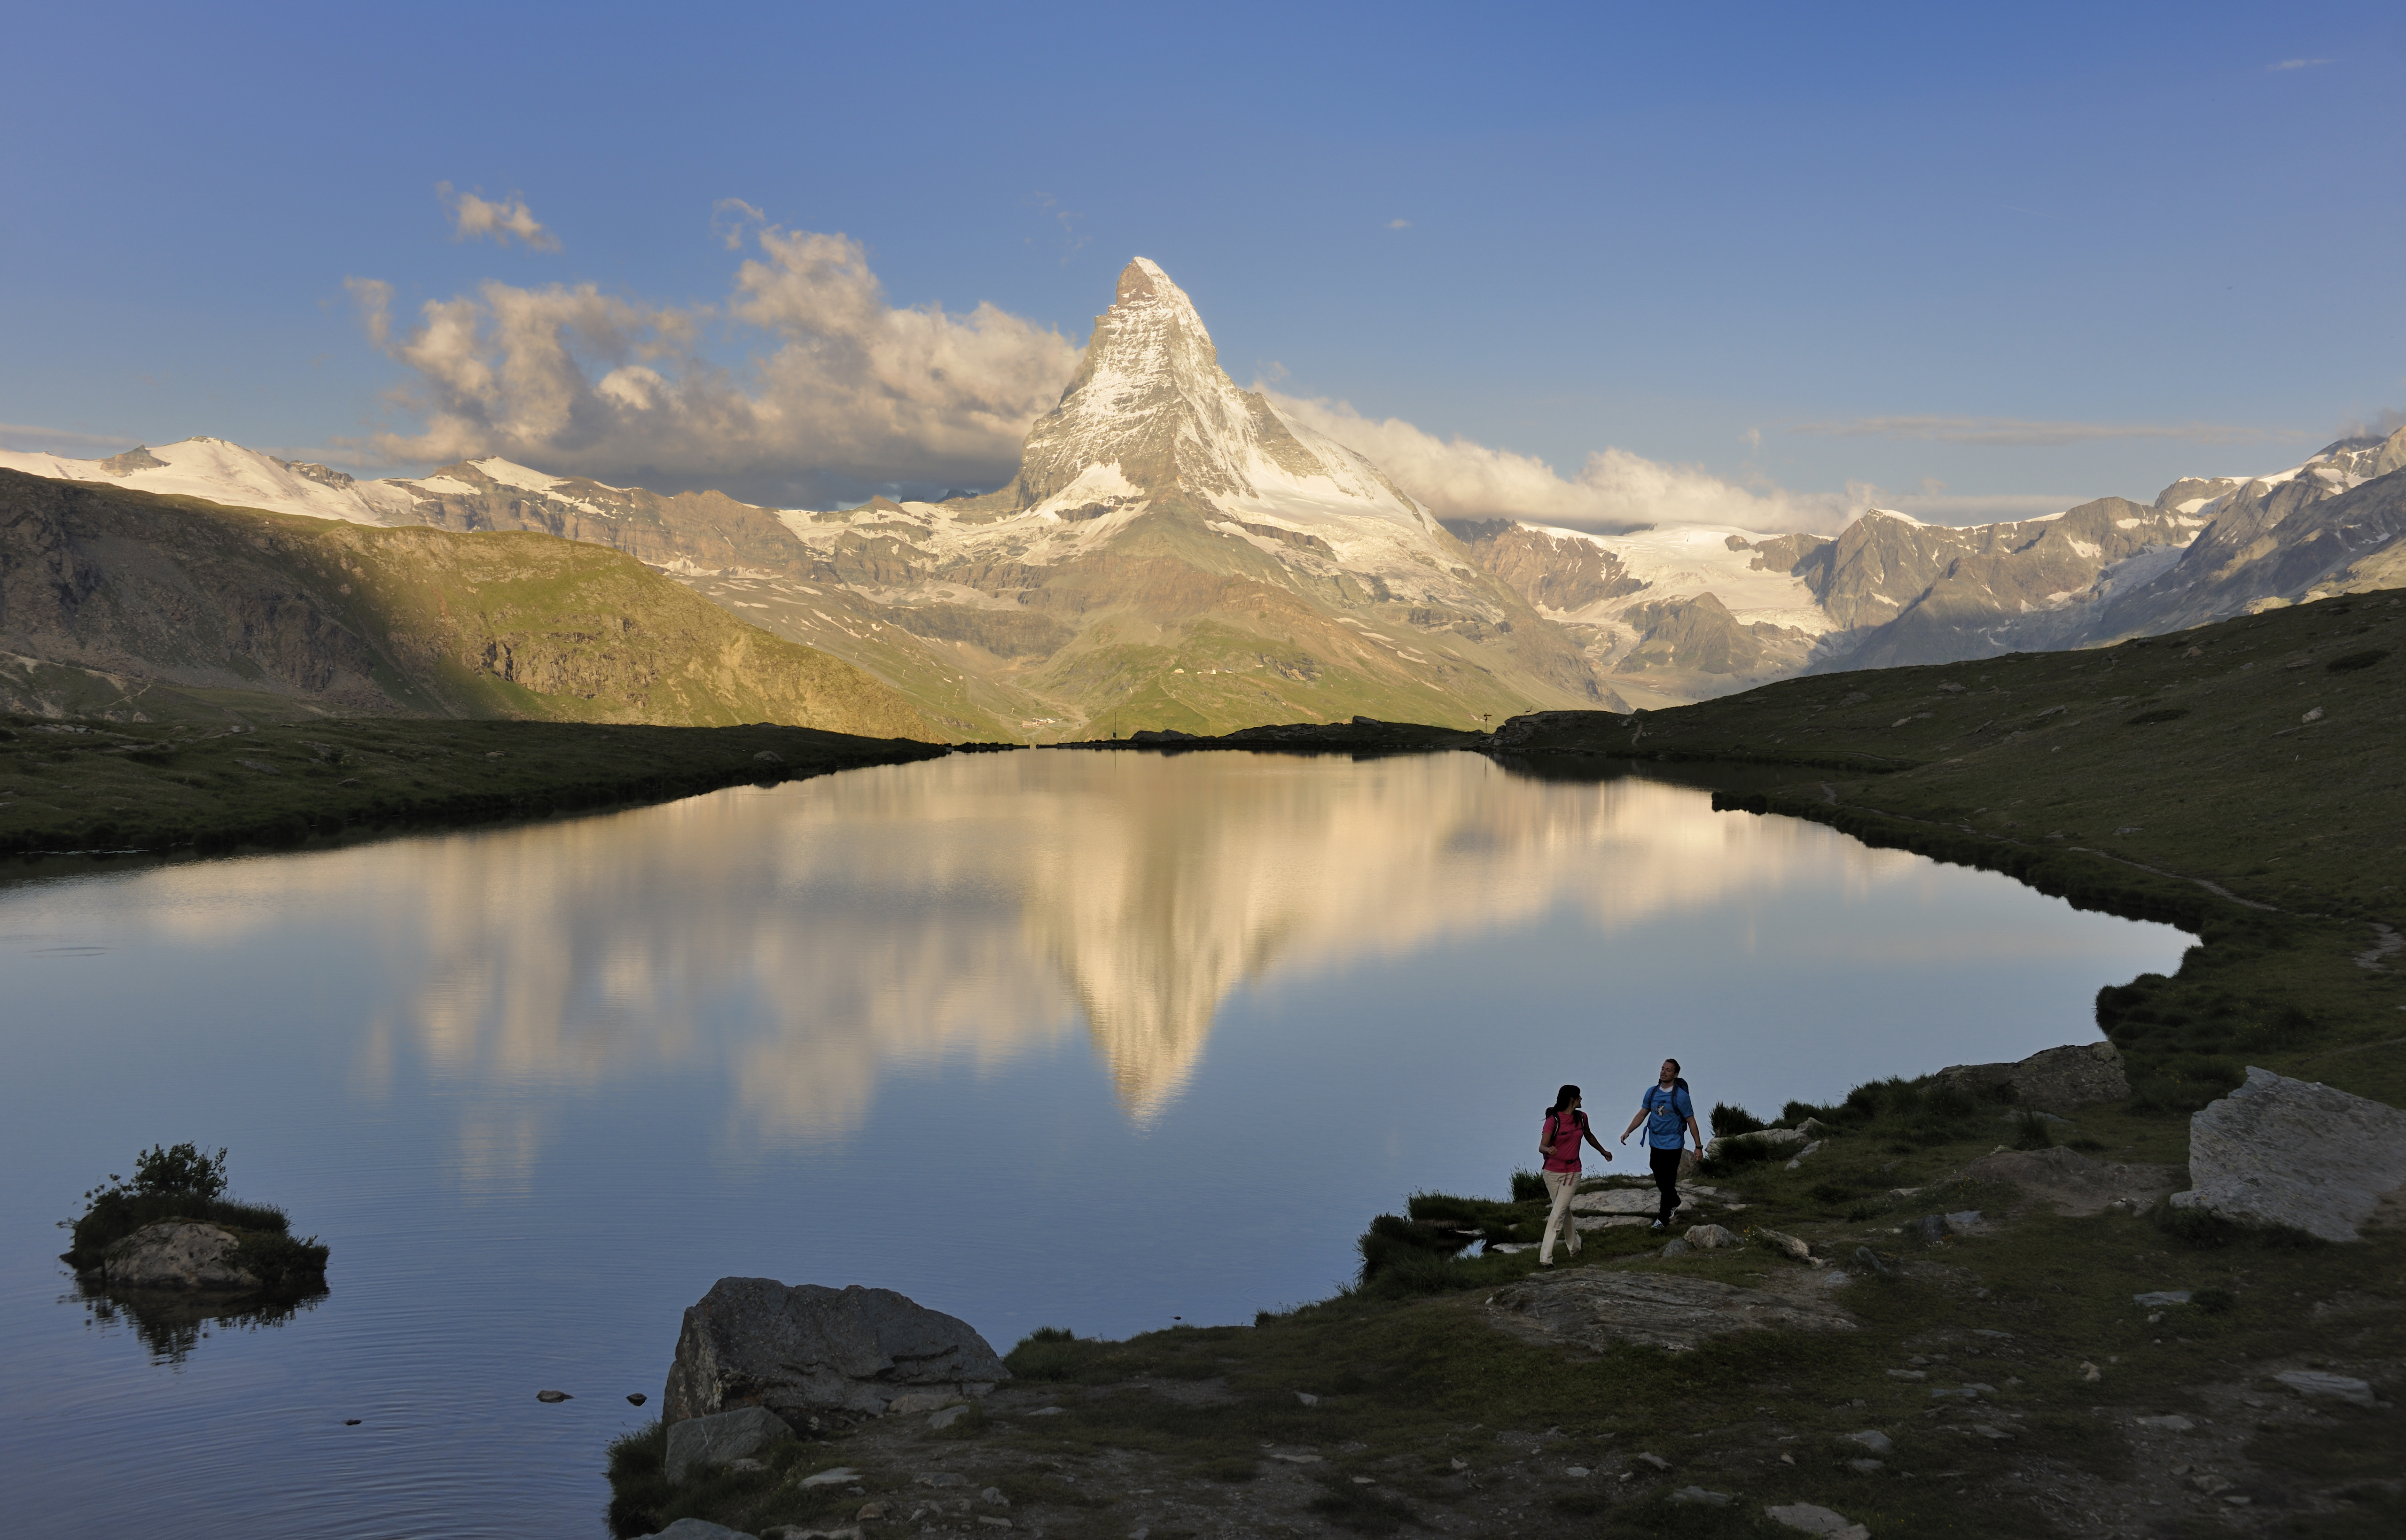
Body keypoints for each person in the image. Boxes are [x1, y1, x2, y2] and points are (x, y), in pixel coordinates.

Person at [1620, 1058, 1703, 1229]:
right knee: (1659, 1177)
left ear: (1676, 1074)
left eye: (1668, 1070)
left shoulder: (1681, 1096)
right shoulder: (1652, 1093)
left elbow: (1691, 1121)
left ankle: (1663, 1219)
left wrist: (1698, 1146)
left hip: (1673, 1143)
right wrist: (1629, 1131)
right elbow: (1643, 1114)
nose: (1664, 1072)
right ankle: (1675, 1202)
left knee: (1668, 1182)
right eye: (1663, 1069)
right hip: (1655, 1142)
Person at [1536, 1084, 1611, 1266]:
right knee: (1563, 1210)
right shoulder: (1553, 1121)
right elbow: (1541, 1147)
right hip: (1552, 1173)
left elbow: (1589, 1135)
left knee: (1557, 1213)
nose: (1581, 1100)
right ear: (1572, 1099)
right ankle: (1575, 1245)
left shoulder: (1582, 1118)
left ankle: (1546, 1258)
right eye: (1579, 1097)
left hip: (1573, 1172)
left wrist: (1603, 1151)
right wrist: (1549, 1149)